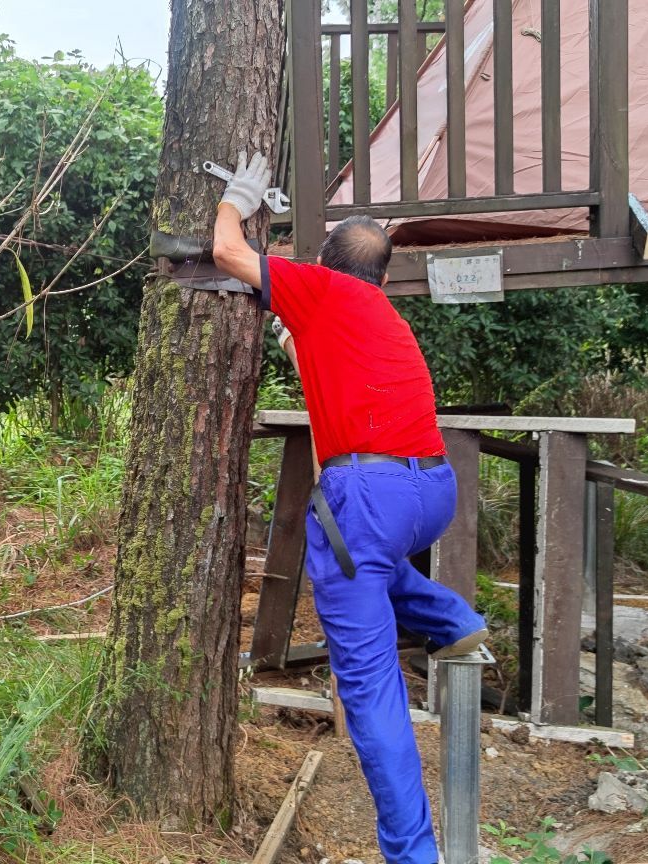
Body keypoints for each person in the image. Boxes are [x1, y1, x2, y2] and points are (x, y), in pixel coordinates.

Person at [209, 154, 487, 864]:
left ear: (326, 263)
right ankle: (452, 619)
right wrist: (296, 338)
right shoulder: (384, 316)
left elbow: (226, 252)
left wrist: (235, 201)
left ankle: (412, 855)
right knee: (357, 559)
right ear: (386, 277)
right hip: (431, 490)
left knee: (369, 690)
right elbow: (338, 378)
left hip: (370, 495)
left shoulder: (321, 289)